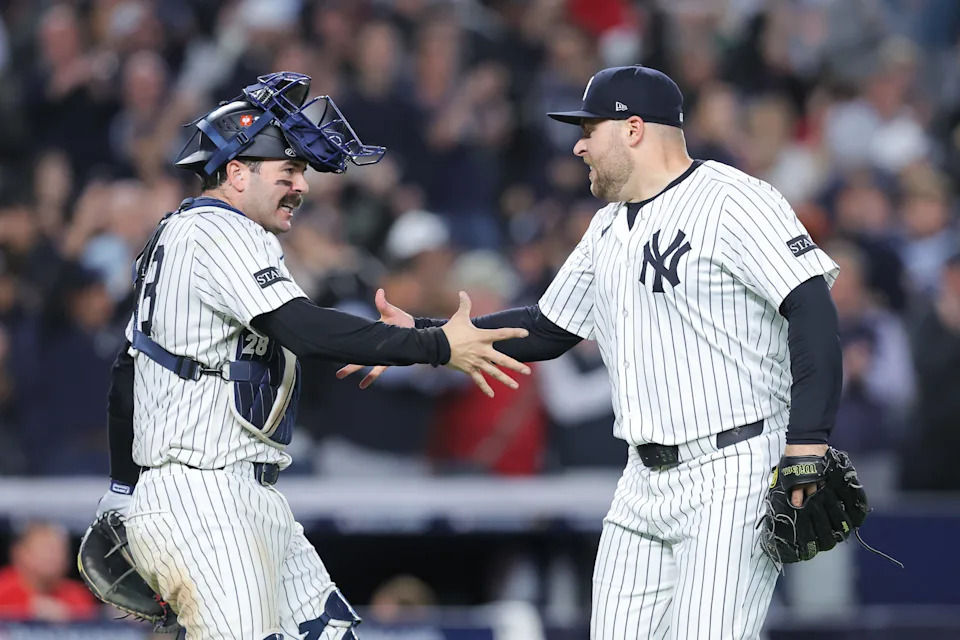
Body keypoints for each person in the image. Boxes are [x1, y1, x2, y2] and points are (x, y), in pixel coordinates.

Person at [339, 65, 845, 639]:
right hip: (641, 476)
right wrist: (422, 341)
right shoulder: (607, 227)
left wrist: (808, 440)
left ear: (633, 129)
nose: (578, 144)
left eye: (589, 129)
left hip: (735, 465)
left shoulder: (735, 200)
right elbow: (546, 327)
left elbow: (811, 312)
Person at [92, 71, 530, 640]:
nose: (301, 185)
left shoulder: (182, 235)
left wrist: (124, 489)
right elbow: (305, 330)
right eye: (289, 170)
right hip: (202, 498)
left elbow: (129, 371)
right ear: (236, 172)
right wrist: (435, 344)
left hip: (235, 496)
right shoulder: (218, 230)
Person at [0, 520, 98, 622]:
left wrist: (69, 619)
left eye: (59, 550)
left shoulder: (78, 597)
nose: (53, 556)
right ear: (20, 552)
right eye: (45, 549)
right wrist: (25, 612)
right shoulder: (2, 590)